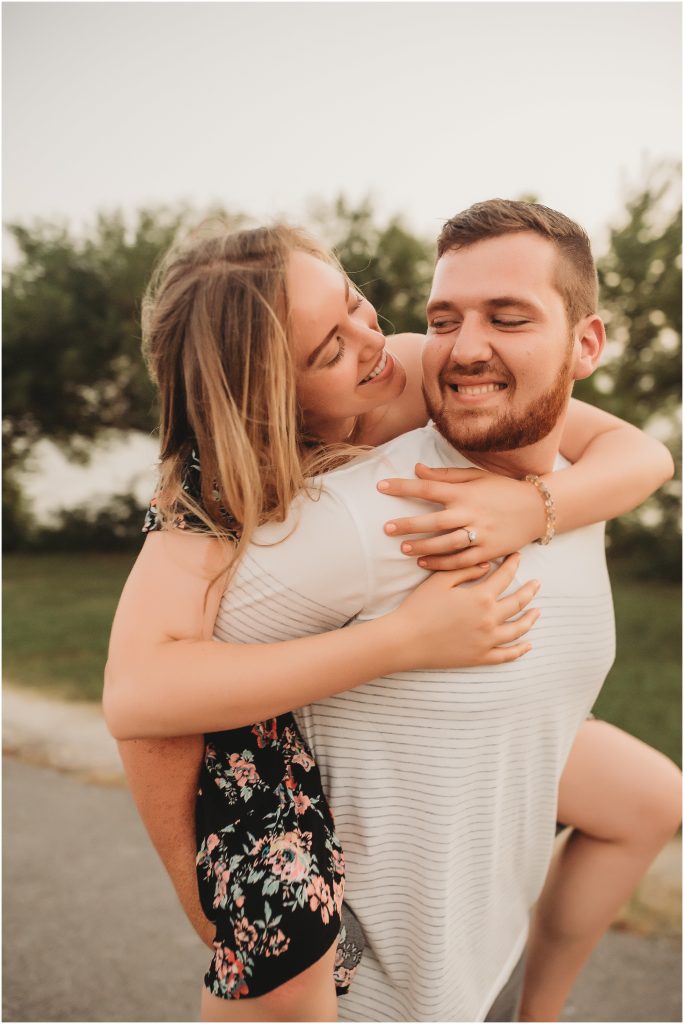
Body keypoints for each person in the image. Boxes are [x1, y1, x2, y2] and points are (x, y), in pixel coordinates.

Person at [104, 207, 679, 1021]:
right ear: (272, 395)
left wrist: (536, 508)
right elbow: (139, 700)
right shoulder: (209, 493)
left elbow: (639, 452)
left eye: (357, 302)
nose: (373, 340)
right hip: (241, 731)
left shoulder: (408, 363)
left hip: (431, 705)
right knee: (289, 955)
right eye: (331, 348)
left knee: (650, 796)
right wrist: (203, 900)